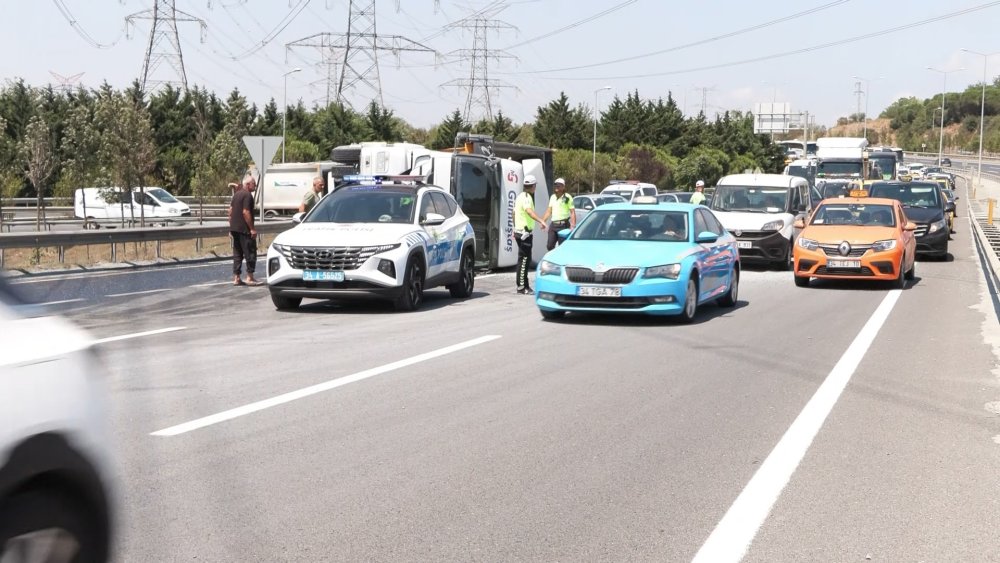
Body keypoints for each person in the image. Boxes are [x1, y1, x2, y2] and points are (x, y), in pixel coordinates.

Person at [514, 174, 547, 295]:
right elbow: (529, 211)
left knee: (524, 260)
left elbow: (513, 213)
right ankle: (522, 286)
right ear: (533, 186)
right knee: (524, 260)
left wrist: (514, 228)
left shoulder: (520, 196)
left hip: (519, 231)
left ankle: (524, 285)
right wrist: (541, 220)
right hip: (525, 233)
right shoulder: (527, 197)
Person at [229, 175, 261, 286]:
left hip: (235, 228)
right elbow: (245, 212)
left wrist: (231, 226)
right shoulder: (247, 195)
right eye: (254, 184)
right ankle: (250, 277)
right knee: (250, 252)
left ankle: (236, 278)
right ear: (248, 185)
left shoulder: (236, 194)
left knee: (237, 253)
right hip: (244, 229)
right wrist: (252, 229)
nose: (255, 186)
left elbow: (230, 211)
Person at [541, 177, 576, 250]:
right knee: (549, 246)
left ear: (563, 187)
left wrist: (573, 226)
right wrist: (543, 221)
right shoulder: (552, 197)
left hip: (563, 225)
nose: (556, 187)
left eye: (559, 185)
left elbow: (572, 212)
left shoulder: (567, 197)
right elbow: (549, 211)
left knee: (562, 248)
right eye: (555, 185)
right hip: (553, 225)